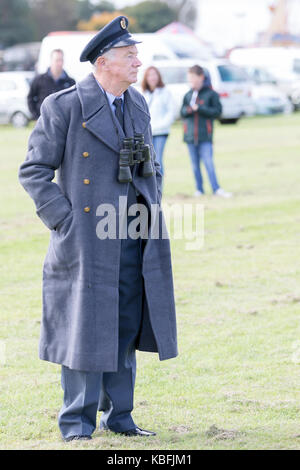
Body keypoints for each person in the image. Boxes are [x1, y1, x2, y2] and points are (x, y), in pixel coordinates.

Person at [18, 16, 177, 442]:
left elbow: (151, 164)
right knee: (84, 327)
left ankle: (120, 417)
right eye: (129, 56)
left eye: (136, 55)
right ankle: (77, 423)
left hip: (133, 235)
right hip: (85, 240)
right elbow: (33, 171)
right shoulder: (64, 106)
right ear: (103, 62)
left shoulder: (137, 103)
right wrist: (63, 220)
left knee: (126, 325)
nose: (137, 62)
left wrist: (151, 196)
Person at [180, 65, 232, 198]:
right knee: (194, 165)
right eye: (189, 79)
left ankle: (216, 188)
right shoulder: (188, 95)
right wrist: (189, 110)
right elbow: (182, 112)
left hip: (205, 136)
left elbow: (218, 112)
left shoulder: (211, 94)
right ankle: (199, 189)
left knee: (208, 163)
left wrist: (201, 109)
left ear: (201, 77)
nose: (191, 81)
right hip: (190, 136)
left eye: (193, 78)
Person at [141, 66, 175, 184]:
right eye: (149, 75)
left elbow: (171, 112)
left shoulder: (165, 92)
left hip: (161, 132)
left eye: (154, 74)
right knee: (147, 161)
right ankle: (150, 187)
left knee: (158, 160)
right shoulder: (144, 93)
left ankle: (159, 188)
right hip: (147, 133)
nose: (152, 77)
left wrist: (160, 125)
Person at [27, 49, 75, 120]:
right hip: (44, 122)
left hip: (64, 123)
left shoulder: (71, 82)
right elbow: (30, 98)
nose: (59, 63)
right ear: (51, 61)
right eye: (57, 60)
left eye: (61, 60)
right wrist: (36, 116)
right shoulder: (39, 79)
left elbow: (74, 103)